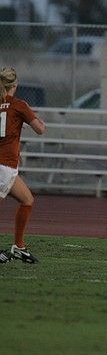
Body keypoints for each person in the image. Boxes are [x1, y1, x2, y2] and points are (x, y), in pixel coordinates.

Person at [0, 67, 46, 264]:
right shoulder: (19, 105)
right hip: (4, 165)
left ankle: (18, 247)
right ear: (15, 86)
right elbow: (40, 129)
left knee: (27, 199)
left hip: (5, 167)